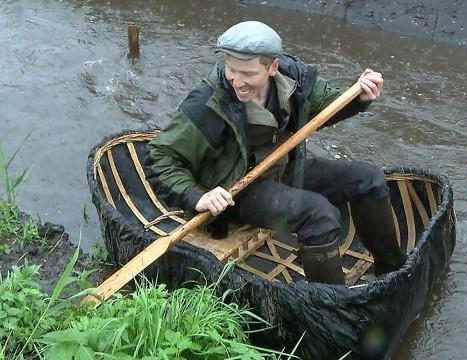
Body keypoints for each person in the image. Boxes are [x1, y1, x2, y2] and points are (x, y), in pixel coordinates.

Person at [143, 21, 405, 284]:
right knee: (320, 215)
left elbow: (330, 106)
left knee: (368, 178)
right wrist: (198, 196)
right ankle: (329, 303)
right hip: (236, 190)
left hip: (282, 170)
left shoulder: (294, 79)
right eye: (231, 69)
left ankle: (392, 272)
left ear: (273, 67)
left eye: (248, 73)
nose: (237, 81)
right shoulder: (208, 104)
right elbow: (159, 158)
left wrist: (360, 95)